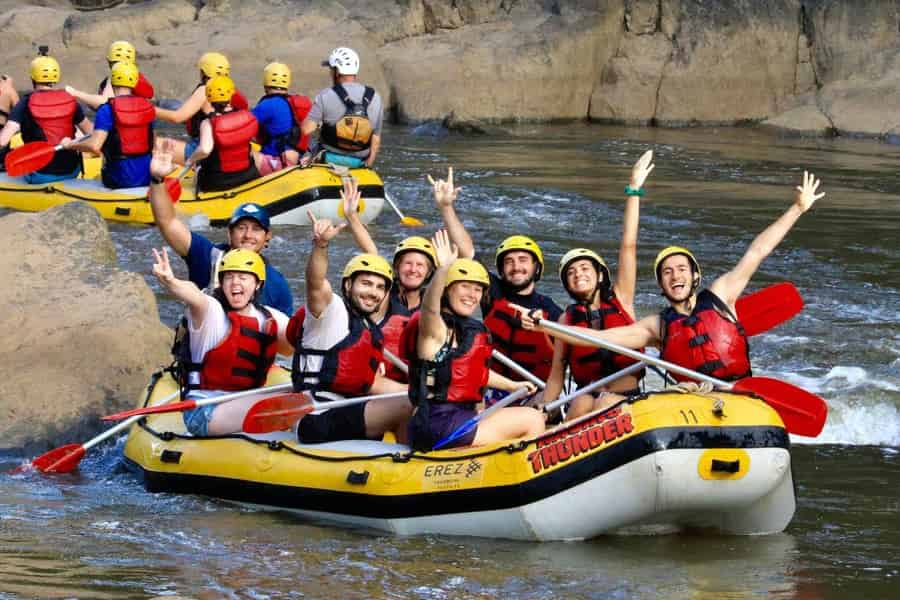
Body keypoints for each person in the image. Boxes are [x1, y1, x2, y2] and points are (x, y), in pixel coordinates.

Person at [523, 171, 826, 384]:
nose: (675, 275)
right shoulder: (656, 327)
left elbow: (758, 250)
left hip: (738, 391)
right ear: (661, 285)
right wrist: (544, 326)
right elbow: (601, 338)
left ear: (695, 276)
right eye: (667, 272)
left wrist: (798, 208)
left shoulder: (722, 294)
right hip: (692, 399)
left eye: (681, 269)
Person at [541, 150, 654, 420]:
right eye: (571, 272)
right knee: (581, 404)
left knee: (605, 402)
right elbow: (557, 375)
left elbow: (629, 245)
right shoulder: (567, 318)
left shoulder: (621, 298)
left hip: (624, 398)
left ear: (600, 275)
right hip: (584, 398)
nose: (578, 274)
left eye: (584, 268)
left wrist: (634, 190)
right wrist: (541, 410)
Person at [406, 231, 543, 451]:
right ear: (447, 290)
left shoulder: (465, 329)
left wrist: (513, 385)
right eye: (464, 287)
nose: (472, 294)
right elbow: (428, 308)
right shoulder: (435, 328)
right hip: (439, 424)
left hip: (452, 421)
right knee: (533, 419)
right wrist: (442, 270)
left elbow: (475, 372)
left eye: (478, 289)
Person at [287, 212, 411, 444]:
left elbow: (374, 384)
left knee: (416, 397)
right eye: (365, 283)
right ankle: (413, 465)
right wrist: (321, 245)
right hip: (316, 415)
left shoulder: (367, 327)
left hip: (346, 408)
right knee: (409, 404)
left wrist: (416, 387)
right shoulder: (331, 311)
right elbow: (315, 282)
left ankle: (407, 459)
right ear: (348, 284)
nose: (372, 292)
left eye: (379, 287)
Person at [340, 167, 472, 382]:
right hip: (382, 375)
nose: (413, 269)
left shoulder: (436, 298)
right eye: (407, 263)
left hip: (421, 377)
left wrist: (446, 208)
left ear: (430, 272)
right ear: (396, 267)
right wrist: (352, 217)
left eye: (420, 265)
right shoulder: (382, 294)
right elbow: (372, 253)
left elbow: (466, 254)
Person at [151, 246, 293, 436]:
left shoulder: (270, 318)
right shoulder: (211, 311)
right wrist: (171, 281)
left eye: (243, 277)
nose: (235, 283)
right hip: (205, 411)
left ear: (257, 284)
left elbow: (301, 341)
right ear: (221, 283)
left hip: (239, 402)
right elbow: (194, 296)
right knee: (295, 401)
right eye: (229, 277)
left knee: (301, 390)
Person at [148, 144, 293, 314]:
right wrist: (157, 180)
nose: (248, 235)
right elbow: (168, 222)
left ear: (267, 237)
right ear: (229, 234)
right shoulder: (206, 255)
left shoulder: (277, 284)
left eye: (256, 229)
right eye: (241, 228)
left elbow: (287, 333)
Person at [0, 54, 93, 184]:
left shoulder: (25, 102)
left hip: (40, 173)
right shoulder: (70, 100)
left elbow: (3, 141)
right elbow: (91, 133)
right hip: (72, 170)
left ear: (33, 77)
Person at [62, 61, 155, 189]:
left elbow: (95, 146)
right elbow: (153, 145)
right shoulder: (148, 108)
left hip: (118, 179)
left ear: (112, 83)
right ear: (134, 83)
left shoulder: (107, 109)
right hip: (146, 177)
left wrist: (70, 145)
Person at [154, 51, 249, 166]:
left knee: (151, 143)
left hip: (203, 150)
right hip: (225, 146)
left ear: (203, 72)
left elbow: (177, 118)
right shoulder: (230, 89)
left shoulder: (204, 90)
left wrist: (149, 109)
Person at [300, 47, 383, 168]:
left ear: (337, 71)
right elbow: (376, 138)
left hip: (328, 157)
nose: (330, 73)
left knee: (310, 143)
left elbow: (306, 130)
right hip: (359, 161)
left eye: (331, 69)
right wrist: (368, 164)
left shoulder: (325, 95)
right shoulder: (375, 97)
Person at [187, 75, 260, 192]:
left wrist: (190, 160)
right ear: (231, 94)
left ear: (209, 97)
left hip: (219, 181)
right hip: (249, 175)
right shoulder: (245, 115)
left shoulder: (208, 123)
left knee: (197, 173)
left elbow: (205, 150)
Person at [252, 61, 312, 175]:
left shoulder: (268, 104)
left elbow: (243, 125)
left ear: (266, 82)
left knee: (242, 151)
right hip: (297, 158)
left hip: (278, 163)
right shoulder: (292, 102)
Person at [64, 40, 155, 110]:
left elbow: (103, 103)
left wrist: (75, 93)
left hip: (118, 129)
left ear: (109, 61)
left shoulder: (113, 80)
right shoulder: (138, 77)